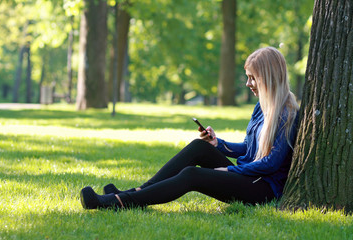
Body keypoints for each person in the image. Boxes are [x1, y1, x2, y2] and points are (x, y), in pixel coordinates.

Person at [80, 46, 299, 210]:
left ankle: (121, 202)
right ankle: (136, 192)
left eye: (253, 78)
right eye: (247, 77)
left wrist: (230, 170)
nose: (247, 84)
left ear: (268, 77)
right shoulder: (261, 108)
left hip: (262, 189)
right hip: (248, 176)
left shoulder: (287, 114)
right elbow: (248, 148)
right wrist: (218, 144)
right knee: (199, 147)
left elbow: (271, 163)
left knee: (192, 175)